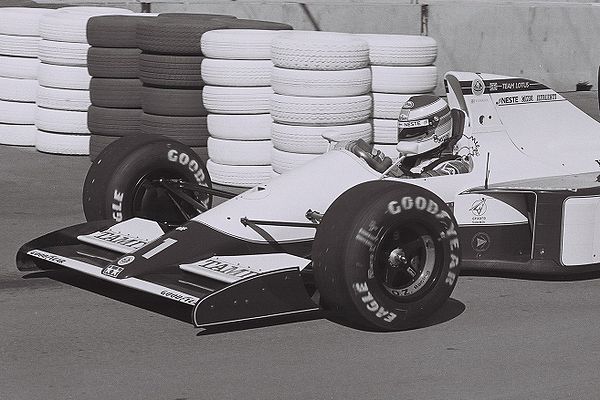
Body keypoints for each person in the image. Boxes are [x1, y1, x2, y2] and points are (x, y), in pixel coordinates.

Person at [391, 94, 473, 178]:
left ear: (439, 128)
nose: (407, 135)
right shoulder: (410, 160)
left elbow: (423, 182)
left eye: (414, 131)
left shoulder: (455, 165)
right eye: (405, 131)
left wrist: (399, 175)